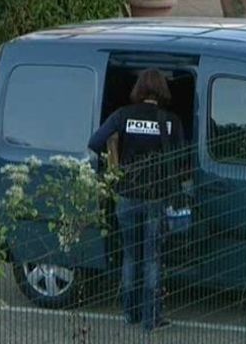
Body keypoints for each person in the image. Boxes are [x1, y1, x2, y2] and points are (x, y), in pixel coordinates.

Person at [88, 68, 185, 332]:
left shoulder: (123, 116)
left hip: (126, 196)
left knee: (131, 255)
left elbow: (94, 142)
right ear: (162, 90)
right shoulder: (170, 121)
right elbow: (182, 159)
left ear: (139, 89)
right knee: (152, 257)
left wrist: (114, 156)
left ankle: (129, 314)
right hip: (156, 197)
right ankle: (151, 319)